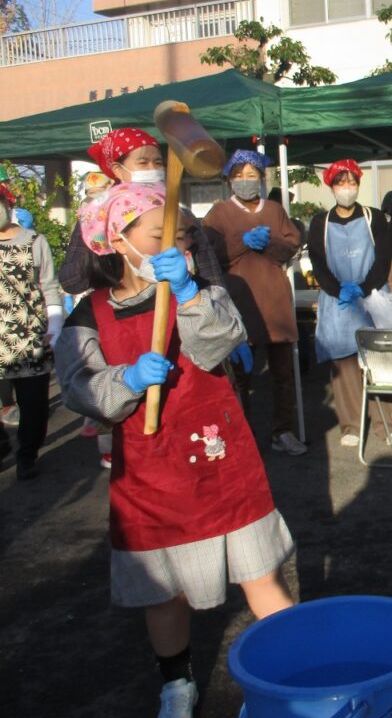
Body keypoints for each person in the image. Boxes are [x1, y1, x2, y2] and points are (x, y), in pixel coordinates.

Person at [54, 183, 294, 718]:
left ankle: (293, 671)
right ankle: (177, 682)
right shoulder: (88, 316)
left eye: (181, 234)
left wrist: (186, 293)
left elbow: (219, 343)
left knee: (259, 575)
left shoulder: (198, 287)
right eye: (158, 234)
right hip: (149, 470)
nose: (177, 244)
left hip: (219, 455)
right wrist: (126, 378)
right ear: (117, 240)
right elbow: (79, 390)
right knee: (165, 591)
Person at [202, 150, 306, 456]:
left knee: (283, 374)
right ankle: (239, 435)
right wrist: (240, 242)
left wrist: (271, 243)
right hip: (238, 304)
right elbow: (208, 256)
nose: (245, 182)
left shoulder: (274, 210)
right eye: (238, 176)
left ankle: (282, 431)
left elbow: (290, 246)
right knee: (240, 377)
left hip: (274, 304)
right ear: (229, 179)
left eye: (251, 175)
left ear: (261, 178)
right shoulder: (219, 214)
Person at [61, 128, 224, 296]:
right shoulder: (97, 218)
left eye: (158, 163)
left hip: (177, 308)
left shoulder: (180, 214)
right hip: (120, 312)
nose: (152, 169)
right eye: (143, 162)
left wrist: (190, 290)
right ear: (118, 169)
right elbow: (71, 282)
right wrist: (102, 245)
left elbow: (212, 277)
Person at [307, 159, 392, 448]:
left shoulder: (375, 217)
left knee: (380, 361)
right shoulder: (321, 222)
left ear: (359, 184)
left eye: (352, 183)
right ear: (331, 187)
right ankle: (351, 424)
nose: (347, 189)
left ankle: (385, 423)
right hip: (338, 300)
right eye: (341, 183)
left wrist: (365, 287)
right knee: (344, 364)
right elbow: (318, 263)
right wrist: (337, 289)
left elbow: (383, 258)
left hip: (372, 297)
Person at [0, 182, 63, 481]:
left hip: (29, 335)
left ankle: (27, 454)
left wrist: (55, 324)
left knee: (34, 405)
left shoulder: (35, 241)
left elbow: (50, 286)